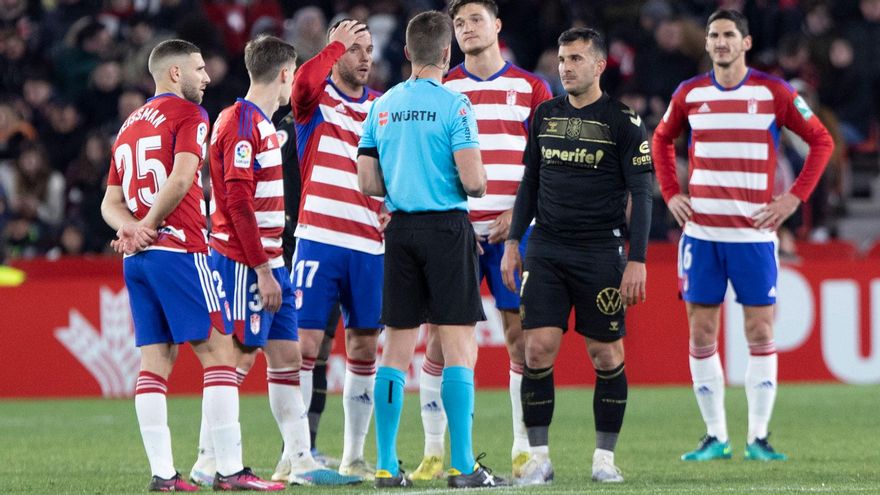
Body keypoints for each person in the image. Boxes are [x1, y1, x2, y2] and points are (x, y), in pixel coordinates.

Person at [100, 39, 283, 492]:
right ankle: (231, 470)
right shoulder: (189, 115)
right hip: (179, 249)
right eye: (200, 69)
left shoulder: (128, 125)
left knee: (154, 363)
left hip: (139, 261)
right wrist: (147, 224)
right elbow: (184, 178)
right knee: (221, 354)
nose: (207, 77)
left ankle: (164, 476)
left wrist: (131, 229)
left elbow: (110, 202)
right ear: (175, 73)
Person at [652, 9, 833, 462]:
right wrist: (671, 193)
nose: (721, 42)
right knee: (702, 332)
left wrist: (793, 199)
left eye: (729, 34)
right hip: (703, 235)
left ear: (746, 43)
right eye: (714, 35)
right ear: (708, 43)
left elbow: (822, 141)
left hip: (753, 236)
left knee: (758, 329)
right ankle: (716, 436)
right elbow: (659, 139)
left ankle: (758, 437)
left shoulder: (773, 92)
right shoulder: (689, 93)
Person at [187, 35, 360, 487]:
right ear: (286, 74)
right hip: (244, 263)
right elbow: (239, 205)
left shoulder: (260, 122)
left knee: (286, 357)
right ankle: (210, 462)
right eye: (293, 76)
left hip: (271, 261)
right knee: (236, 359)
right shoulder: (242, 123)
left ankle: (300, 458)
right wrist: (262, 269)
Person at [358, 10, 505, 489]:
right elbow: (475, 181)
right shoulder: (456, 105)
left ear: (406, 53)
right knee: (459, 350)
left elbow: (367, 181)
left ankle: (384, 465)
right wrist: (469, 180)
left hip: (399, 232)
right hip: (446, 229)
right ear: (448, 54)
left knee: (395, 352)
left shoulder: (380, 107)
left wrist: (401, 181)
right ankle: (462, 466)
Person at [501, 27, 654, 485]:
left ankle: (604, 460)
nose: (565, 67)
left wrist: (637, 258)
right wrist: (513, 242)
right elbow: (529, 183)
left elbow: (642, 195)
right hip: (546, 247)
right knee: (536, 349)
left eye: (576, 59)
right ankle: (539, 459)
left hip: (600, 251)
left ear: (600, 65)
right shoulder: (545, 114)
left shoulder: (623, 122)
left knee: (605, 355)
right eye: (563, 59)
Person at [410, 0, 552, 482]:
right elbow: (427, 161)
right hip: (455, 235)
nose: (467, 28)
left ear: (497, 26)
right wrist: (452, 219)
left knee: (521, 340)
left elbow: (546, 165)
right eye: (459, 22)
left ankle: (519, 450)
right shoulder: (441, 87)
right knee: (437, 346)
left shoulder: (532, 88)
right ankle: (433, 451)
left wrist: (518, 212)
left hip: (515, 237)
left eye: (475, 19)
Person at [287, 18, 383, 481]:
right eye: (355, 49)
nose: (366, 57)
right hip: (319, 239)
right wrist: (331, 47)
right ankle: (297, 454)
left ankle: (353, 454)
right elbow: (303, 81)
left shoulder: (384, 107)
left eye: (369, 49)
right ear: (336, 54)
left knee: (364, 347)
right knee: (305, 344)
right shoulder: (316, 102)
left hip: (369, 245)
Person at [276, 104, 344, 469]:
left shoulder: (327, 119)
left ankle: (308, 446)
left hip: (322, 241)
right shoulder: (291, 125)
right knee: (300, 349)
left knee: (319, 350)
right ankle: (292, 449)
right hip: (297, 246)